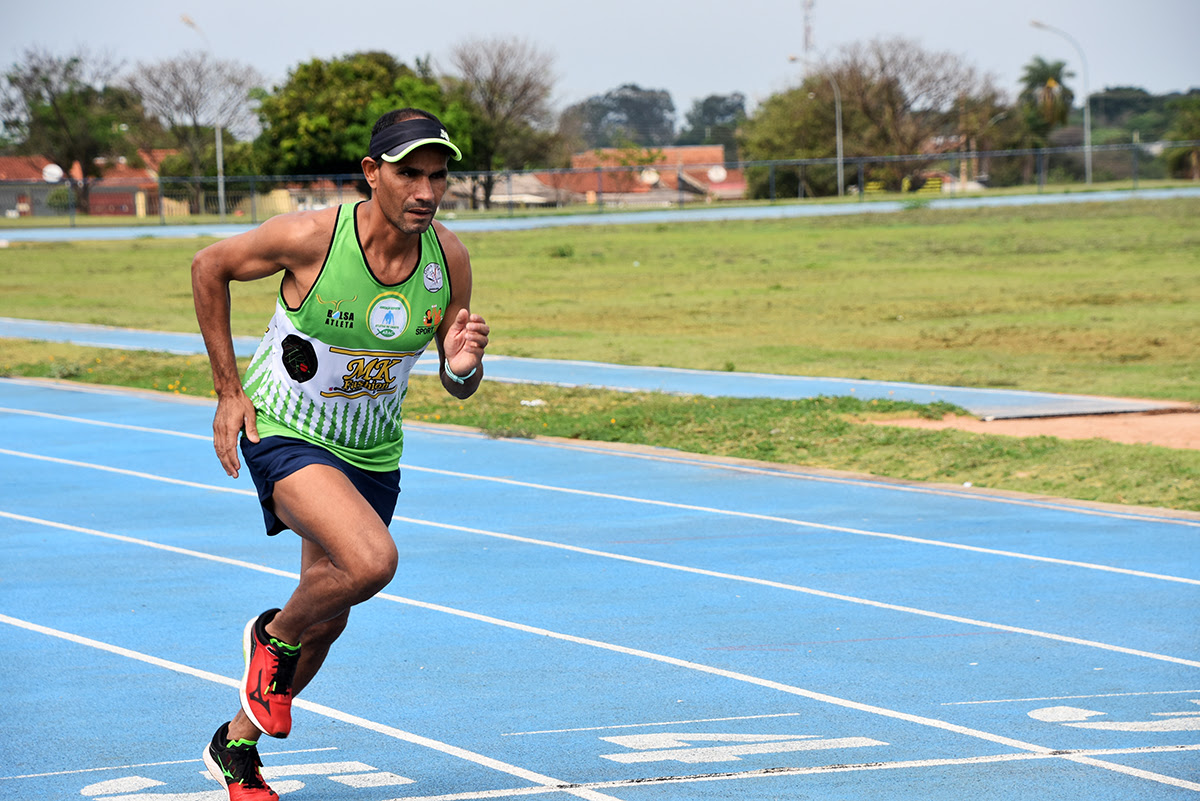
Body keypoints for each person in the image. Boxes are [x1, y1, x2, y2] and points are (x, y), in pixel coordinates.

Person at [190, 108, 488, 801]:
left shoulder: (449, 261)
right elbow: (210, 267)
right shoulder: (313, 238)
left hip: (371, 451)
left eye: (437, 177)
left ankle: (235, 742)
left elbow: (456, 380)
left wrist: (464, 363)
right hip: (287, 431)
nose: (425, 190)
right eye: (409, 173)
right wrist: (228, 390)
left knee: (332, 616)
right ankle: (272, 634)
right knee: (371, 561)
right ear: (372, 174)